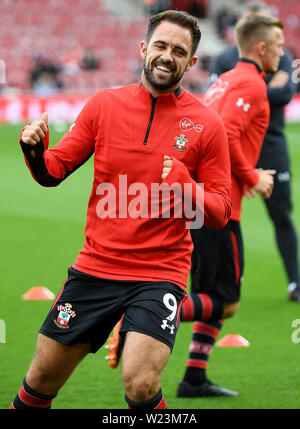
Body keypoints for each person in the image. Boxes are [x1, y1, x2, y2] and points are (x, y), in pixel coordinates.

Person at [10, 10, 232, 410]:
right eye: (161, 46)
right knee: (42, 377)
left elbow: (220, 210)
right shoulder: (103, 104)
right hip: (96, 267)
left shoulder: (207, 124)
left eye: (179, 51)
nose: (167, 56)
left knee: (141, 383)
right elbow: (53, 171)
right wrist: (34, 151)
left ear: (192, 62)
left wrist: (186, 185)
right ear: (144, 48)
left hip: (159, 273)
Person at [177, 12, 284, 398]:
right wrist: (252, 175)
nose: (282, 51)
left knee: (211, 293)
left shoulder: (223, 80)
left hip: (200, 201)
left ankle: (193, 378)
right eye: (278, 45)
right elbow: (226, 132)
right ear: (261, 47)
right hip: (218, 206)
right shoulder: (251, 84)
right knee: (226, 302)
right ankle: (145, 312)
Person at [210, 0, 300, 302]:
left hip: (270, 145)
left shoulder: (281, 55)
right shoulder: (227, 60)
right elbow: (224, 112)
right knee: (222, 217)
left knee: (281, 215)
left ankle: (294, 283)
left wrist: (263, 92)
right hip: (236, 150)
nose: (277, 45)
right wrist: (265, 88)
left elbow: (286, 93)